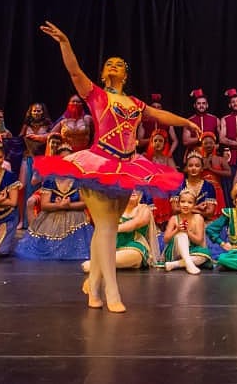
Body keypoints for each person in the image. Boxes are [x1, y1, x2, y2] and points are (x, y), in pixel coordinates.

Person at [38, 20, 199, 313]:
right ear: (102, 73)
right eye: (108, 64)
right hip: (98, 164)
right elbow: (74, 71)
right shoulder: (96, 95)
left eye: (118, 64)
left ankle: (94, 288)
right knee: (108, 226)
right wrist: (65, 42)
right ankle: (111, 291)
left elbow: (160, 116)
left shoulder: (136, 104)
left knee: (105, 228)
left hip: (127, 166)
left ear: (126, 74)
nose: (113, 66)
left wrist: (187, 121)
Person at [16, 143, 93, 261]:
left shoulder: (78, 178)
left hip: (75, 216)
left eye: (69, 159)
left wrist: (69, 205)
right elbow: (44, 205)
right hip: (51, 217)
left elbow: (84, 203)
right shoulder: (50, 179)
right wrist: (58, 205)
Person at [80, 190, 161, 274]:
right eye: (129, 189)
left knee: (135, 255)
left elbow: (135, 224)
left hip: (136, 246)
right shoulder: (114, 209)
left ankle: (98, 264)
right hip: (114, 247)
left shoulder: (144, 209)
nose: (133, 192)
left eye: (137, 189)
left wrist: (113, 229)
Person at [161, 190, 211, 274]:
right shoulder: (174, 218)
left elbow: (199, 240)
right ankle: (188, 263)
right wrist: (177, 230)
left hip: (193, 250)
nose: (185, 205)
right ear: (178, 204)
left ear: (194, 205)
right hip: (175, 251)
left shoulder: (198, 218)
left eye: (190, 202)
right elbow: (166, 239)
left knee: (203, 256)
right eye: (182, 202)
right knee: (182, 234)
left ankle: (174, 264)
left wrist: (188, 231)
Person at [19, 102, 52, 205]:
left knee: (40, 186)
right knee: (26, 186)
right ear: (31, 112)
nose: (36, 113)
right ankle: (25, 219)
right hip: (28, 158)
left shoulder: (48, 124)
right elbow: (19, 138)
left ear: (43, 112)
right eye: (34, 110)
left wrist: (41, 137)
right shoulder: (27, 125)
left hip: (42, 160)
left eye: (39, 110)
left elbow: (53, 137)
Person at [145, 129, 178, 226]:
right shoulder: (146, 158)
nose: (157, 143)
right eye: (155, 141)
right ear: (151, 142)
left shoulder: (168, 159)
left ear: (164, 144)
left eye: (160, 141)